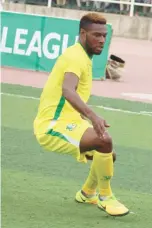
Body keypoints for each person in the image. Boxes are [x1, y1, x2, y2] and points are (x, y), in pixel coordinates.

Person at [33, 13, 129, 217]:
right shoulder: (75, 57)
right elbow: (68, 90)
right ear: (83, 33)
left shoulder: (83, 57)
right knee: (104, 140)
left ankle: (87, 193)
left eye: (104, 35)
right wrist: (93, 116)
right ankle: (106, 197)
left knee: (108, 155)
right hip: (52, 125)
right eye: (96, 35)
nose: (102, 40)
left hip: (69, 121)